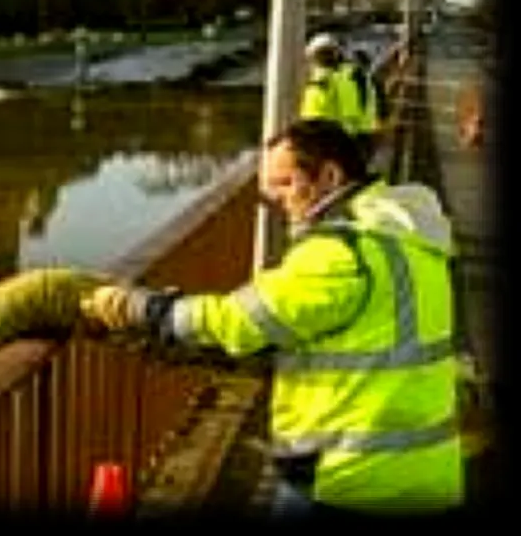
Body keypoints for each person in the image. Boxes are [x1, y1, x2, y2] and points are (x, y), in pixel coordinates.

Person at [79, 119, 464, 517]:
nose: (272, 198)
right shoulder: (412, 241)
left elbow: (238, 321)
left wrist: (143, 309)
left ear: (329, 176)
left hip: (348, 476)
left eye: (284, 183)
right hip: (423, 469)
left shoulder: (342, 250)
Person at [300, 34, 377, 163]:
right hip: (325, 136)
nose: (324, 58)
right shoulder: (321, 77)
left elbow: (357, 108)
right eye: (321, 54)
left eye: (327, 53)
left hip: (347, 137)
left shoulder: (348, 75)